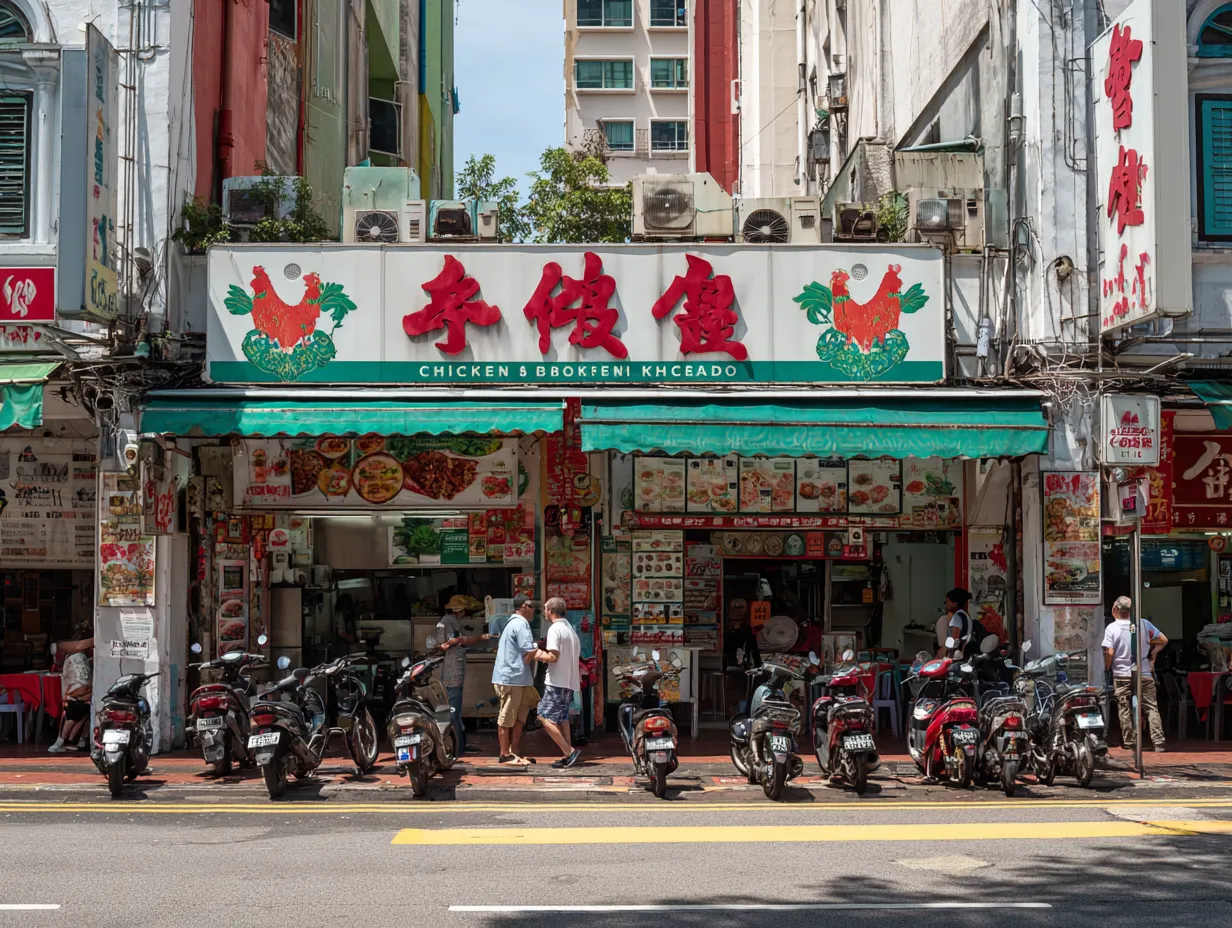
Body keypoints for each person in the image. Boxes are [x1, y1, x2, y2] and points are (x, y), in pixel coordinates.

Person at [1102, 595, 1167, 753]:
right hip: (1144, 672)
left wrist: (1107, 667)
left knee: (1124, 707)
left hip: (1121, 674)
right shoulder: (1144, 624)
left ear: (1115, 609)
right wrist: (1153, 653)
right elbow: (1163, 640)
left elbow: (1109, 652)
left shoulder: (1112, 628)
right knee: (1151, 707)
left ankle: (1130, 741)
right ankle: (1158, 741)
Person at [525, 596, 581, 768]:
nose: (544, 612)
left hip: (556, 682)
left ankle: (569, 751)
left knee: (544, 717)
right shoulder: (569, 629)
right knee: (562, 718)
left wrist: (534, 652)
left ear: (550, 611)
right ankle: (566, 755)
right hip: (569, 681)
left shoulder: (555, 629)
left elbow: (553, 656)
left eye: (545, 609)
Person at [436, 594, 492, 756]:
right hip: (451, 674)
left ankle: (461, 745)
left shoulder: (452, 621)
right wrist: (456, 642)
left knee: (457, 711)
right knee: (453, 710)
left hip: (457, 672)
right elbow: (442, 645)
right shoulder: (444, 623)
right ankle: (456, 748)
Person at [490, 595, 540, 766]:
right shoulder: (520, 624)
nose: (535, 611)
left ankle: (514, 751)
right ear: (524, 606)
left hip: (518, 678)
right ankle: (504, 753)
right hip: (512, 678)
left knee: (519, 716)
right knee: (507, 716)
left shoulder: (512, 623)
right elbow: (528, 651)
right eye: (532, 607)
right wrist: (539, 648)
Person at [48, 631, 94, 754]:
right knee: (74, 716)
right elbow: (82, 683)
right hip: (76, 694)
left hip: (74, 693)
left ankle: (67, 740)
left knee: (76, 715)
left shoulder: (73, 657)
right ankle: (64, 741)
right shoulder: (78, 658)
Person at [937, 588, 982, 659]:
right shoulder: (965, 615)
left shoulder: (957, 617)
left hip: (957, 656)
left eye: (948, 601)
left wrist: (944, 654)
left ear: (955, 603)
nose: (946, 604)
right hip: (965, 654)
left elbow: (953, 639)